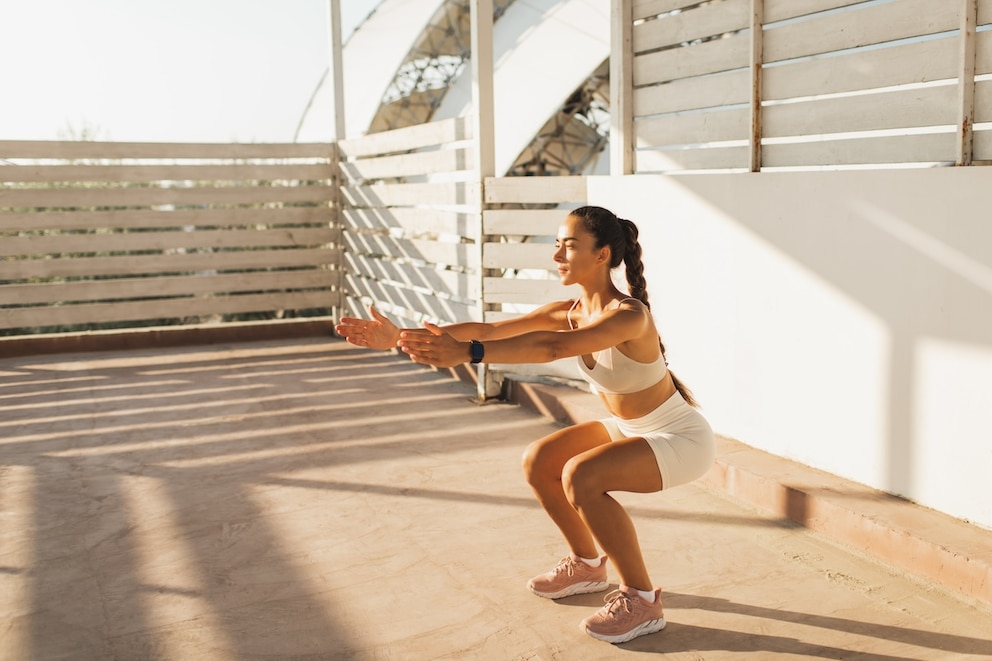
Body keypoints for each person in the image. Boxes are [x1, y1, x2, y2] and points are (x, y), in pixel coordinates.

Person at [335, 205, 716, 644]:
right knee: (540, 460)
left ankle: (643, 601)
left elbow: (551, 348)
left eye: (569, 246)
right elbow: (491, 328)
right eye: (556, 244)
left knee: (582, 475)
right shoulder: (567, 311)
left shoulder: (627, 315)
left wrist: (470, 355)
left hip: (678, 438)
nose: (557, 255)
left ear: (602, 254)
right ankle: (588, 567)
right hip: (629, 427)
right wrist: (400, 335)